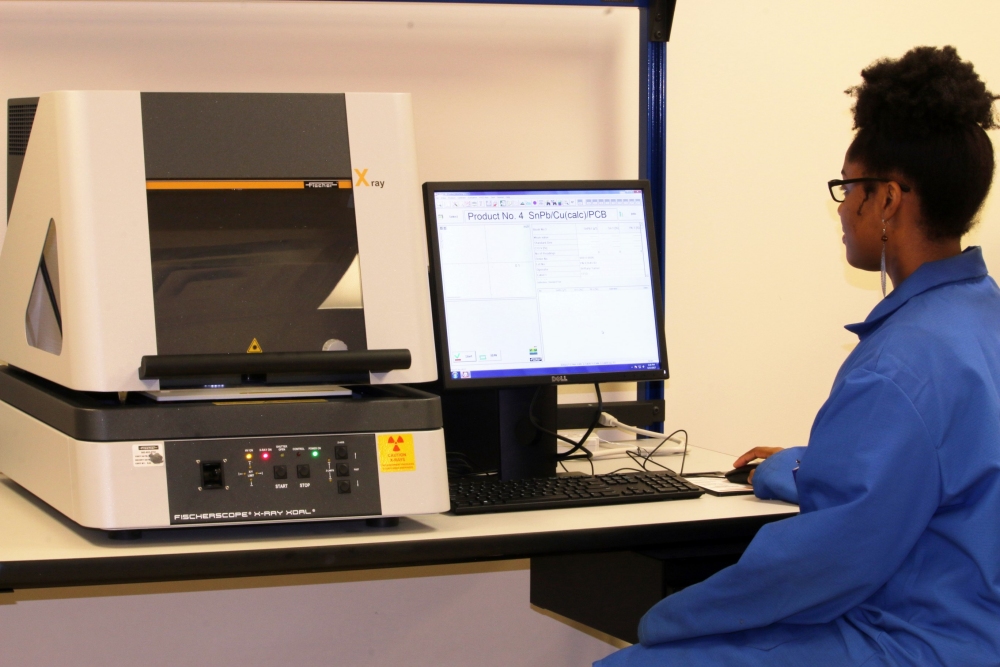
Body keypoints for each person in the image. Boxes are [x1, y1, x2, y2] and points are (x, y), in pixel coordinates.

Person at [597, 46, 1000, 666]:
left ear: (888, 200)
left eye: (848, 187)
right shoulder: (980, 318)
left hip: (914, 644)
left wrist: (666, 621)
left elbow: (825, 564)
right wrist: (795, 466)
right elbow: (923, 476)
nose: (841, 206)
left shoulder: (900, 366)